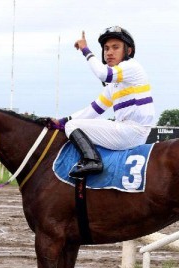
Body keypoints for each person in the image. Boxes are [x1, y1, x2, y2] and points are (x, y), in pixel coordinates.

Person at [52, 26, 155, 178]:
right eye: (106, 48)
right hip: (128, 130)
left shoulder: (131, 67)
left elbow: (102, 73)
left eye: (115, 47)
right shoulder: (113, 85)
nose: (109, 52)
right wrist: (59, 122)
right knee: (71, 124)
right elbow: (93, 110)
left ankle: (92, 161)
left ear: (128, 51)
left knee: (72, 126)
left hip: (132, 131)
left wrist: (85, 50)